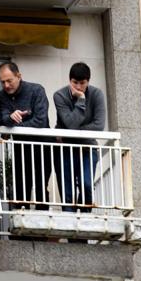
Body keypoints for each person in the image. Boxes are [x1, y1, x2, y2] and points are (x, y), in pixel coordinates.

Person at [0, 61, 50, 209]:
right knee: (21, 186)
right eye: (2, 82)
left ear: (19, 76)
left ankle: (43, 221)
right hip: (21, 148)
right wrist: (10, 118)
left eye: (9, 80)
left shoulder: (36, 90)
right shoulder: (2, 96)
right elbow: (3, 118)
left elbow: (40, 121)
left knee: (41, 186)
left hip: (43, 146)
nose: (6, 85)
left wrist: (17, 126)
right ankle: (20, 221)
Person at [53, 62, 106, 212]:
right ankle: (71, 229)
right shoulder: (60, 96)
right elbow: (70, 124)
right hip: (64, 149)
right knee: (67, 193)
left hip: (87, 148)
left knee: (87, 184)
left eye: (82, 83)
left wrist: (73, 132)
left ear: (88, 82)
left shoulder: (96, 94)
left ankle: (85, 219)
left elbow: (99, 126)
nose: (78, 87)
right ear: (69, 80)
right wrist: (81, 101)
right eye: (74, 82)